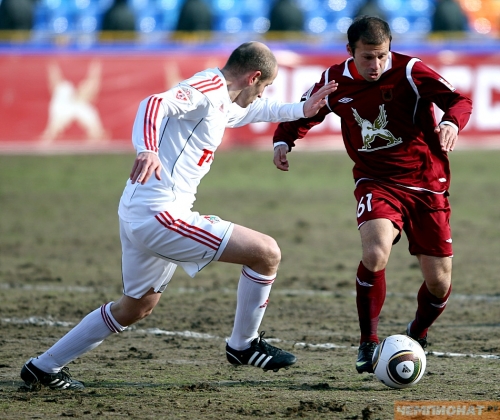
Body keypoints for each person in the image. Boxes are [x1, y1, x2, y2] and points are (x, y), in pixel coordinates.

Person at [20, 41, 337, 390]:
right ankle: (243, 345)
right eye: (263, 88)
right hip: (160, 215)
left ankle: (43, 367)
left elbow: (254, 112)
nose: (262, 96)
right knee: (266, 253)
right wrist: (148, 150)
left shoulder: (224, 101)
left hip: (142, 212)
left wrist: (303, 108)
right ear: (254, 77)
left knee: (136, 307)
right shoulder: (207, 88)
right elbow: (153, 103)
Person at [272, 16, 472, 374]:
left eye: (381, 55)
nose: (376, 64)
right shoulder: (334, 80)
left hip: (427, 184)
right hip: (376, 181)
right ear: (350, 52)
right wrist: (284, 139)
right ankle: (368, 342)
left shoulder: (410, 71)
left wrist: (450, 122)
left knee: (439, 283)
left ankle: (416, 333)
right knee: (376, 251)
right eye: (367, 57)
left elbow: (459, 101)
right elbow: (308, 109)